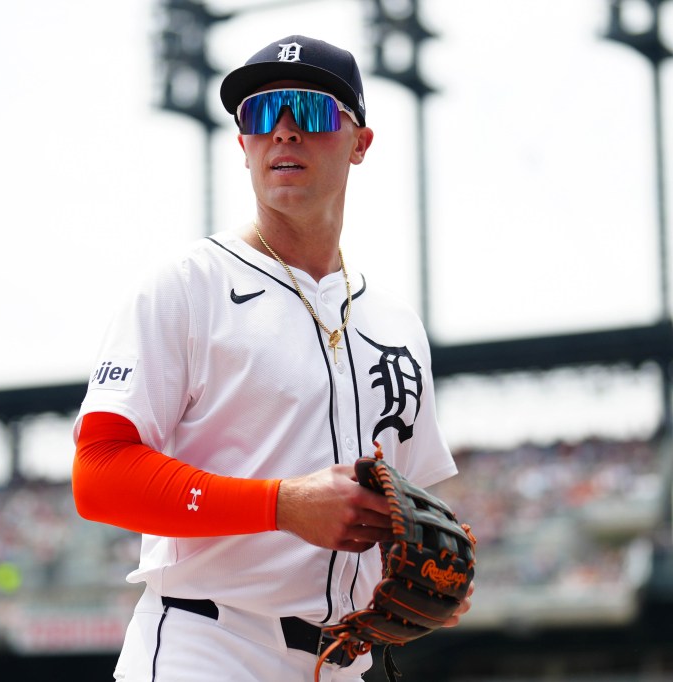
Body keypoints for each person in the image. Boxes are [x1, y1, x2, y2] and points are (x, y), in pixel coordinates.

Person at [71, 35, 471, 682]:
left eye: (309, 112)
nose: (283, 132)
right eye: (260, 115)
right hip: (205, 646)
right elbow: (98, 476)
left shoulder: (396, 323)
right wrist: (282, 504)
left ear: (360, 143)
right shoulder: (187, 285)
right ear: (243, 146)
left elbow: (412, 497)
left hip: (344, 660)